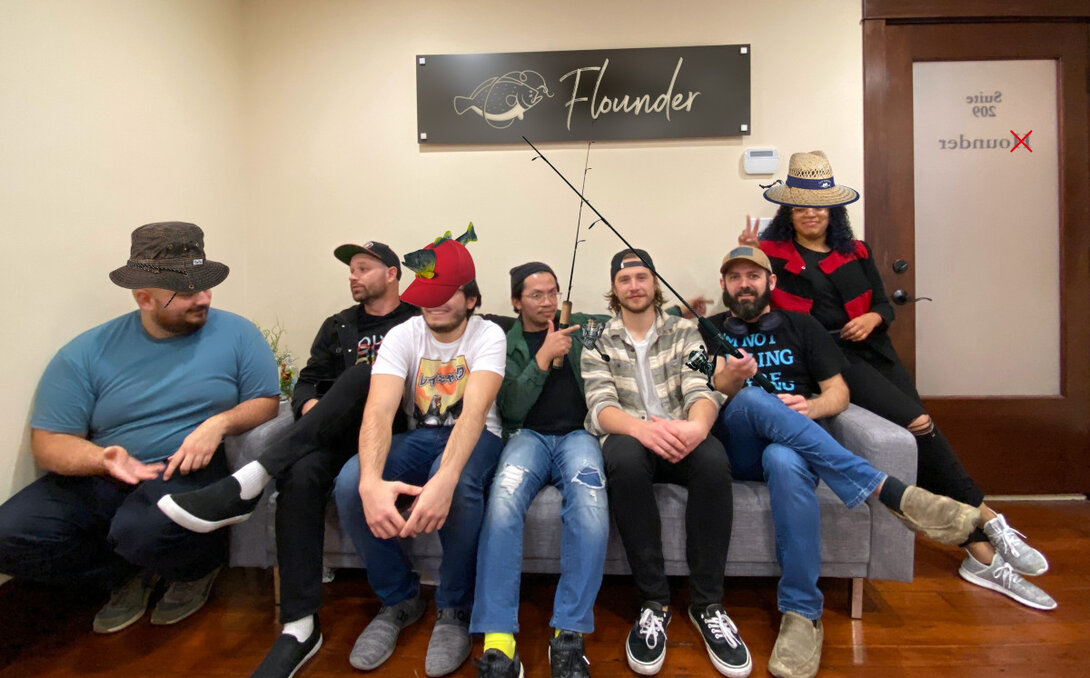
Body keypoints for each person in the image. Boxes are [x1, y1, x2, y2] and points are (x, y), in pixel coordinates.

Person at [737, 151, 1055, 611]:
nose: (810, 213)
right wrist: (751, 253)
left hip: (877, 354)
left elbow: (885, 306)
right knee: (919, 423)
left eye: (820, 205)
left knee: (922, 432)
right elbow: (753, 307)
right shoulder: (774, 256)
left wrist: (872, 317)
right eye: (801, 205)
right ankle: (987, 518)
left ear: (833, 209)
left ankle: (980, 546)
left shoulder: (856, 250)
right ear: (789, 210)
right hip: (831, 359)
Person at [702, 244, 996, 678]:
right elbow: (699, 393)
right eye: (735, 277)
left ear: (771, 282)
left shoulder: (803, 326)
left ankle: (802, 614)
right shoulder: (707, 329)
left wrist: (808, 407)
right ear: (724, 285)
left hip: (796, 445)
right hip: (739, 444)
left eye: (753, 275)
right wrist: (729, 380)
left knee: (784, 460)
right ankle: (888, 490)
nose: (744, 284)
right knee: (752, 399)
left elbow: (838, 393)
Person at [0, 222, 280, 634]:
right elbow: (49, 443)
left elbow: (266, 402)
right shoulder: (86, 352)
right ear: (144, 298)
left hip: (185, 469)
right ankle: (122, 575)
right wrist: (101, 458)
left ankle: (192, 570)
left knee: (142, 530)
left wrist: (218, 423)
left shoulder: (238, 333)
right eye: (186, 292)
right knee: (9, 534)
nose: (203, 298)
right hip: (106, 473)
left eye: (205, 286)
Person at [158, 240, 418, 677]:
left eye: (363, 268)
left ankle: (248, 483)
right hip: (334, 434)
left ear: (392, 274)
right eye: (350, 269)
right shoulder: (338, 325)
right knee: (299, 474)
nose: (352, 276)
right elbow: (309, 381)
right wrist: (309, 406)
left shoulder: (416, 320)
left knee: (364, 374)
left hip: (390, 433)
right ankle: (300, 625)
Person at [331, 235, 506, 677]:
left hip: (478, 434)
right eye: (427, 294)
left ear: (470, 298)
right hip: (420, 435)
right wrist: (370, 482)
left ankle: (455, 608)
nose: (434, 305)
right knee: (350, 483)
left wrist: (443, 480)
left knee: (459, 488)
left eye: (446, 294)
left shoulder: (489, 335)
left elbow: (474, 413)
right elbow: (379, 409)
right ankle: (399, 599)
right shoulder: (402, 335)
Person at [580, 248, 750, 677]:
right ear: (614, 289)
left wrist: (697, 428)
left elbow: (700, 387)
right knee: (622, 459)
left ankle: (707, 604)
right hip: (632, 436)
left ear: (654, 283)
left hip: (680, 430)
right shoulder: (596, 338)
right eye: (624, 280)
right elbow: (600, 406)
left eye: (642, 277)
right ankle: (653, 602)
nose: (634, 286)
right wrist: (643, 431)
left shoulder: (685, 331)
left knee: (713, 460)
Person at [471, 262, 610, 678]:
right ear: (516, 301)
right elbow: (511, 406)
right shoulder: (503, 341)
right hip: (526, 437)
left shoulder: (581, 328)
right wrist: (543, 358)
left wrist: (682, 311)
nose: (548, 302)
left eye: (553, 293)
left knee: (591, 508)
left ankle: (569, 633)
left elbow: (628, 316)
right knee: (501, 505)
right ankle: (499, 642)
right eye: (536, 295)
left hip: (579, 436)